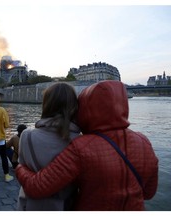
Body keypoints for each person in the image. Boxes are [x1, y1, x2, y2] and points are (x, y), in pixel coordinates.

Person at [16, 80, 159, 211]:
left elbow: (38, 186)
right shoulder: (144, 141)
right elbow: (149, 193)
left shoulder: (82, 147)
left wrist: (20, 169)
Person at [17, 82, 81, 211]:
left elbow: (23, 167)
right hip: (67, 206)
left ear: (46, 104)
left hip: (31, 205)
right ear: (74, 106)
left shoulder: (27, 136)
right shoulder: (81, 141)